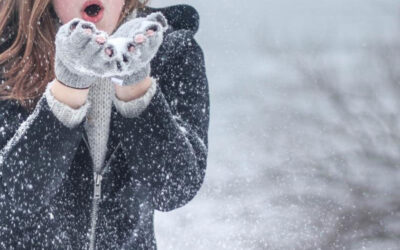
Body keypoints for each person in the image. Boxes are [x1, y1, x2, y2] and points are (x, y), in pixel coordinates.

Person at [0, 0, 209, 249]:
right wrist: (69, 86)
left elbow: (174, 189)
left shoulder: (173, 51)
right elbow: (11, 198)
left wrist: (134, 82)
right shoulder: (9, 54)